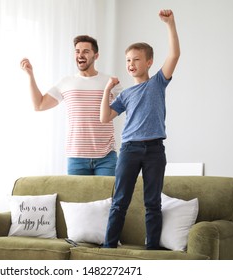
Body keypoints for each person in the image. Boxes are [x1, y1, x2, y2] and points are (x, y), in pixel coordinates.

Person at [100, 10, 180, 249]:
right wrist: (107, 90)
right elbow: (105, 117)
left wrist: (170, 24)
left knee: (152, 202)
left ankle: (152, 249)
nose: (131, 64)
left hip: (155, 149)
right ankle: (108, 246)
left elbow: (175, 54)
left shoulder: (157, 82)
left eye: (136, 59)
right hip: (129, 150)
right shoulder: (125, 94)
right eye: (128, 61)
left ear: (149, 62)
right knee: (120, 201)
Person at [20, 35, 123, 175]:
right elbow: (39, 105)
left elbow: (129, 106)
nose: (80, 55)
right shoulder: (66, 82)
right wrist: (30, 75)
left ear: (96, 55)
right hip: (76, 157)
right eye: (77, 51)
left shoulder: (110, 82)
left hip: (106, 156)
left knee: (108, 196)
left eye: (86, 51)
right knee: (76, 197)